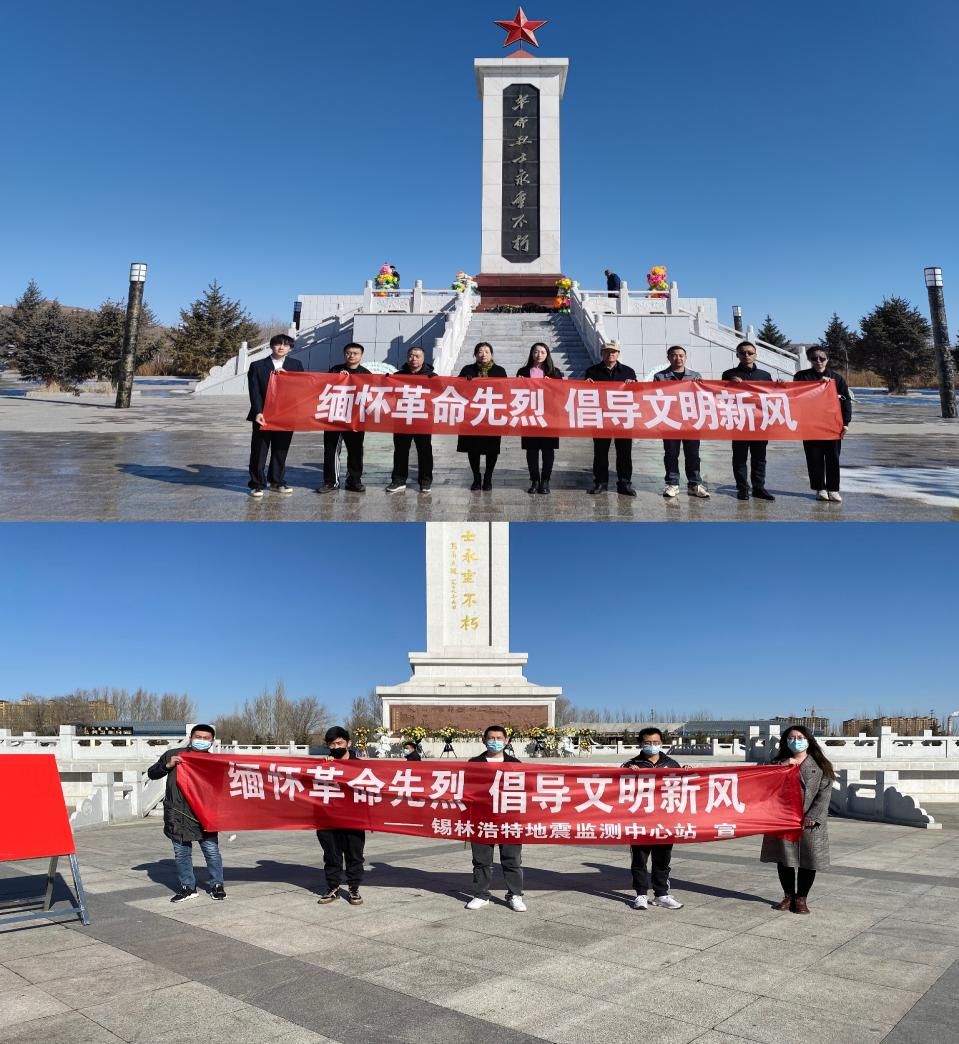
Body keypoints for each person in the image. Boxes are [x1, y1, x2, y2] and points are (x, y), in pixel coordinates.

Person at [147, 724, 226, 903]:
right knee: (182, 853)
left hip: (204, 815)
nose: (201, 740)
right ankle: (188, 887)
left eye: (206, 738)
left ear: (212, 741)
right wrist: (167, 765)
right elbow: (152, 773)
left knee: (211, 851)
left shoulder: (216, 762)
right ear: (191, 738)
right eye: (198, 737)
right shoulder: (174, 755)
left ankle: (217, 885)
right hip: (178, 814)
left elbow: (223, 788)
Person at [760, 725, 834, 914]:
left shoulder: (821, 765)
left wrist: (813, 816)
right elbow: (763, 782)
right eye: (791, 738)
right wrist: (783, 767)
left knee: (809, 860)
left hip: (809, 822)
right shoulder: (777, 763)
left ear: (808, 740)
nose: (796, 741)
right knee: (784, 859)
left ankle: (801, 898)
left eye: (800, 737)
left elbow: (824, 794)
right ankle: (788, 896)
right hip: (783, 819)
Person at [622, 729, 684, 910]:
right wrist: (627, 774)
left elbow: (684, 787)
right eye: (648, 743)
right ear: (640, 744)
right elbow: (616, 787)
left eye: (656, 742)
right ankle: (641, 894)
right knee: (639, 860)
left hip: (665, 820)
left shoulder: (671, 764)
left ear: (662, 743)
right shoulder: (631, 764)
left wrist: (687, 772)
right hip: (640, 820)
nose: (652, 746)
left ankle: (661, 894)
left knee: (662, 860)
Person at [466, 725, 526, 912]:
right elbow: (466, 790)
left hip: (509, 818)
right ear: (483, 740)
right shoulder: (474, 763)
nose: (495, 741)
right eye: (491, 738)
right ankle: (481, 894)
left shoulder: (515, 763)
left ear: (506, 740)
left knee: (512, 859)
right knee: (481, 860)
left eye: (499, 738)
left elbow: (523, 791)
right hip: (481, 818)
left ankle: (515, 894)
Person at [246, 334, 303, 498]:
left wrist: (288, 378)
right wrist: (258, 411)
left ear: (290, 348)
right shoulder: (257, 365)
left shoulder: (296, 365)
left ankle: (277, 481)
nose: (281, 347)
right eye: (278, 344)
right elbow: (254, 391)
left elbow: (301, 388)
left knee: (280, 449)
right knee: (259, 450)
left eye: (286, 345)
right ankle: (257, 484)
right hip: (263, 415)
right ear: (271, 346)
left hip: (286, 414)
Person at [794, 346, 852, 503]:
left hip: (832, 424)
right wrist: (818, 385)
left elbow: (846, 401)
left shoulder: (836, 378)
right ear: (809, 360)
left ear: (827, 359)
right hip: (810, 424)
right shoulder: (801, 377)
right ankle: (820, 488)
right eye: (814, 358)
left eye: (822, 358)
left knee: (833, 458)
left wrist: (846, 423)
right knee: (814, 458)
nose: (818, 361)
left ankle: (833, 489)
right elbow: (796, 396)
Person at [722, 341, 778, 501]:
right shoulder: (729, 374)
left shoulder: (765, 375)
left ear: (755, 355)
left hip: (760, 422)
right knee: (739, 458)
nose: (746, 355)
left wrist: (780, 385)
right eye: (742, 352)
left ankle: (759, 488)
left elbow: (773, 395)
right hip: (739, 422)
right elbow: (721, 396)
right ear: (737, 355)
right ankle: (742, 488)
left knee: (759, 458)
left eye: (750, 352)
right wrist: (729, 384)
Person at [316, 726, 366, 906]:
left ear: (348, 743)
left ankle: (354, 888)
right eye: (332, 744)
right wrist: (324, 767)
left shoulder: (361, 766)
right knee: (331, 855)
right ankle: (333, 888)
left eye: (339, 743)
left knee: (354, 855)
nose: (336, 747)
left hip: (354, 818)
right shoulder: (323, 765)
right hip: (327, 818)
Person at [653, 346, 710, 500]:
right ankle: (672, 483)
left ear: (685, 357)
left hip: (691, 422)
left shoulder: (695, 376)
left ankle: (694, 484)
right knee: (671, 454)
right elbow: (655, 397)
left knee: (693, 454)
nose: (678, 358)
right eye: (674, 355)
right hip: (670, 421)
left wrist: (700, 385)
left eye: (681, 355)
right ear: (668, 357)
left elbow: (702, 397)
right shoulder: (660, 376)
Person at [584, 342, 638, 496]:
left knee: (624, 453)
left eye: (613, 352)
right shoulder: (592, 371)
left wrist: (633, 385)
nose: (610, 354)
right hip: (600, 417)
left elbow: (637, 394)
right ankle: (600, 482)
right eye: (607, 352)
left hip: (622, 418)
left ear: (618, 354)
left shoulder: (628, 371)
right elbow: (584, 393)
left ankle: (624, 483)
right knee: (600, 453)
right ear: (602, 353)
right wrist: (586, 385)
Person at [317, 343, 371, 494]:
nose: (351, 356)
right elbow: (323, 387)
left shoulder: (366, 374)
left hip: (355, 418)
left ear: (361, 355)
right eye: (348, 353)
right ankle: (331, 482)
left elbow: (370, 396)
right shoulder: (335, 370)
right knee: (331, 450)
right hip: (334, 417)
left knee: (355, 450)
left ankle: (354, 481)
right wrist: (338, 379)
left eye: (355, 353)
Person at [457, 343, 508, 491]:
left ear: (491, 354)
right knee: (472, 448)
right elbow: (456, 388)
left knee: (492, 448)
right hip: (471, 416)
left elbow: (505, 390)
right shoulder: (467, 369)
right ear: (475, 354)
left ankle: (488, 477)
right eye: (480, 352)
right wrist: (464, 381)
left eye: (487, 351)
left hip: (491, 416)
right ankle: (476, 477)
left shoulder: (499, 371)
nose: (483, 354)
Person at [387, 346, 435, 494]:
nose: (413, 359)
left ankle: (425, 481)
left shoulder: (432, 377)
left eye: (417, 356)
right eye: (411, 356)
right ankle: (398, 480)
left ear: (423, 358)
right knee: (400, 450)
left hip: (422, 419)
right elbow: (388, 394)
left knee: (424, 451)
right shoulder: (398, 376)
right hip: (402, 418)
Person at [517, 342, 564, 494]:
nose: (539, 355)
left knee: (548, 450)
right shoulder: (523, 371)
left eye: (543, 352)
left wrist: (553, 385)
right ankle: (534, 480)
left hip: (549, 416)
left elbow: (563, 392)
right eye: (536, 352)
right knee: (531, 450)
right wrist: (518, 383)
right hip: (529, 414)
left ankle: (545, 481)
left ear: (547, 354)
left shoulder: (555, 372)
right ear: (531, 353)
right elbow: (516, 393)